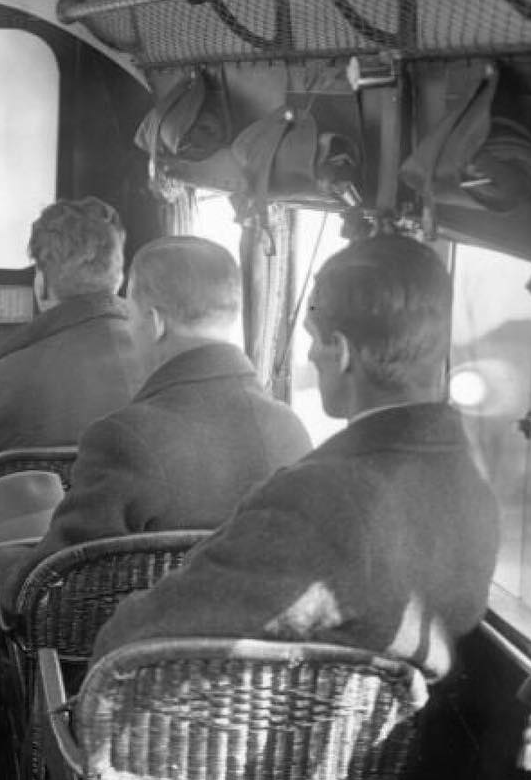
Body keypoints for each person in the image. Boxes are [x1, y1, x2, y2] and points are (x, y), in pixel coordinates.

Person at [94, 233, 501, 681]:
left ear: (342, 353)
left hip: (250, 742)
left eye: (313, 339)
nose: (308, 353)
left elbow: (135, 638)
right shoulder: (474, 483)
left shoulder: (319, 500)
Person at [0, 236, 311, 606]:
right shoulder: (293, 430)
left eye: (129, 314)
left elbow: (48, 588)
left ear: (155, 322)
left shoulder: (124, 437)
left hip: (138, 657)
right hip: (261, 658)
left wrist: (4, 563)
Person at [0, 197, 149, 500]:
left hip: (43, 544)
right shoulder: (164, 362)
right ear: (119, 278)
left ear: (41, 283)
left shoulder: (12, 375)